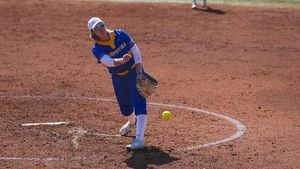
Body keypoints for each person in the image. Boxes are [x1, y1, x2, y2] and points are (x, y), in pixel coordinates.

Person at [87, 17, 147, 150]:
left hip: (134, 72)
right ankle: (132, 121)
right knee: (125, 109)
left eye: (101, 25)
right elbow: (108, 61)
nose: (101, 29)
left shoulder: (120, 34)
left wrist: (139, 68)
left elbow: (135, 50)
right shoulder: (96, 48)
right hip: (118, 77)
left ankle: (139, 138)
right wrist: (121, 60)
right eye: (97, 28)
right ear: (93, 32)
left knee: (139, 102)